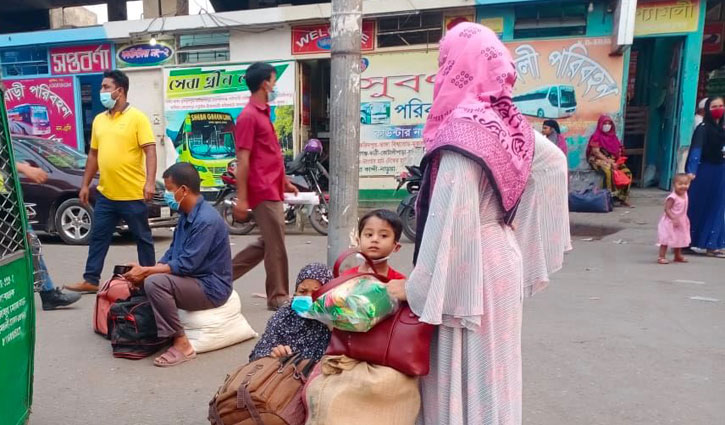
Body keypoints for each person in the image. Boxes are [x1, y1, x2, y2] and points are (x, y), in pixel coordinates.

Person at [384, 23, 538, 425]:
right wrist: (509, 222)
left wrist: (414, 287)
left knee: (461, 372)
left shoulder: (461, 132)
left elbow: (445, 223)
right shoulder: (510, 123)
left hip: (469, 266)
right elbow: (551, 166)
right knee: (496, 373)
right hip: (502, 254)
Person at [305, 209, 420, 425]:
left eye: (383, 235)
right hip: (346, 354)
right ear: (358, 240)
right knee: (324, 396)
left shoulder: (400, 284)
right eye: (368, 234)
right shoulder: (346, 279)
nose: (375, 240)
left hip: (387, 357)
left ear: (396, 246)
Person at [123, 163, 232, 367]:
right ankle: (160, 332)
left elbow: (185, 265)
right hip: (193, 279)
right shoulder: (186, 215)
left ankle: (182, 343)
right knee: (145, 280)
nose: (166, 194)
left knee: (155, 283)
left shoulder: (206, 220)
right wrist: (145, 272)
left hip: (211, 288)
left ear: (183, 190)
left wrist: (148, 272)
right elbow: (172, 253)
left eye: (169, 190)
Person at [66, 70, 157, 293]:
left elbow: (151, 151)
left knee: (143, 239)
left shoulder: (137, 118)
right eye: (102, 88)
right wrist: (85, 185)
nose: (102, 92)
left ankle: (149, 280)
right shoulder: (99, 120)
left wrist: (150, 182)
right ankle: (91, 279)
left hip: (132, 193)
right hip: (106, 194)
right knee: (99, 238)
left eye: (106, 87)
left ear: (120, 90)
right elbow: (93, 155)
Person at [231, 62, 298, 311]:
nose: (274, 85)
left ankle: (219, 278)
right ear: (264, 84)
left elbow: (269, 154)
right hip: (261, 190)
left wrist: (284, 182)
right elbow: (244, 160)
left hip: (272, 186)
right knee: (276, 244)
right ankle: (278, 297)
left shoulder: (262, 113)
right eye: (273, 79)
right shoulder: (248, 116)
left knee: (268, 242)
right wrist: (242, 199)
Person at [15, 162, 81, 310]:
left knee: (32, 247)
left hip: (11, 205)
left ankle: (48, 293)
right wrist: (23, 168)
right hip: (7, 207)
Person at [248, 263, 333, 362]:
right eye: (302, 291)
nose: (308, 298)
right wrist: (273, 354)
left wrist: (332, 325)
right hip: (284, 373)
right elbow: (258, 353)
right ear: (296, 291)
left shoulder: (335, 319)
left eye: (316, 294)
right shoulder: (283, 316)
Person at [685, 96, 725, 257]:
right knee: (696, 205)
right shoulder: (702, 128)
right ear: (707, 109)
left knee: (717, 207)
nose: (718, 109)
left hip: (721, 172)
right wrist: (691, 172)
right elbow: (696, 150)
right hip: (704, 173)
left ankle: (712, 244)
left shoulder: (722, 129)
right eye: (714, 106)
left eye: (721, 106)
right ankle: (684, 241)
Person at [586, 115, 633, 207]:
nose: (607, 126)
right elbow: (596, 152)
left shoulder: (613, 137)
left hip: (613, 160)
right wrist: (609, 162)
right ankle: (608, 198)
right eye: (605, 123)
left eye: (609, 124)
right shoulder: (596, 136)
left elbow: (618, 150)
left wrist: (617, 161)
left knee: (627, 172)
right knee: (608, 171)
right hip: (597, 160)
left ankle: (623, 198)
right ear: (600, 124)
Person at [657, 174, 692, 264]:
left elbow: (690, 179)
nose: (683, 186)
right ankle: (661, 256)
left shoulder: (685, 194)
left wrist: (690, 177)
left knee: (679, 238)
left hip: (681, 220)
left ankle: (677, 256)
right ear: (674, 185)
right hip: (670, 221)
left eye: (686, 184)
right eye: (680, 184)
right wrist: (673, 218)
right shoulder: (672, 197)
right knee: (666, 240)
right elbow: (667, 209)